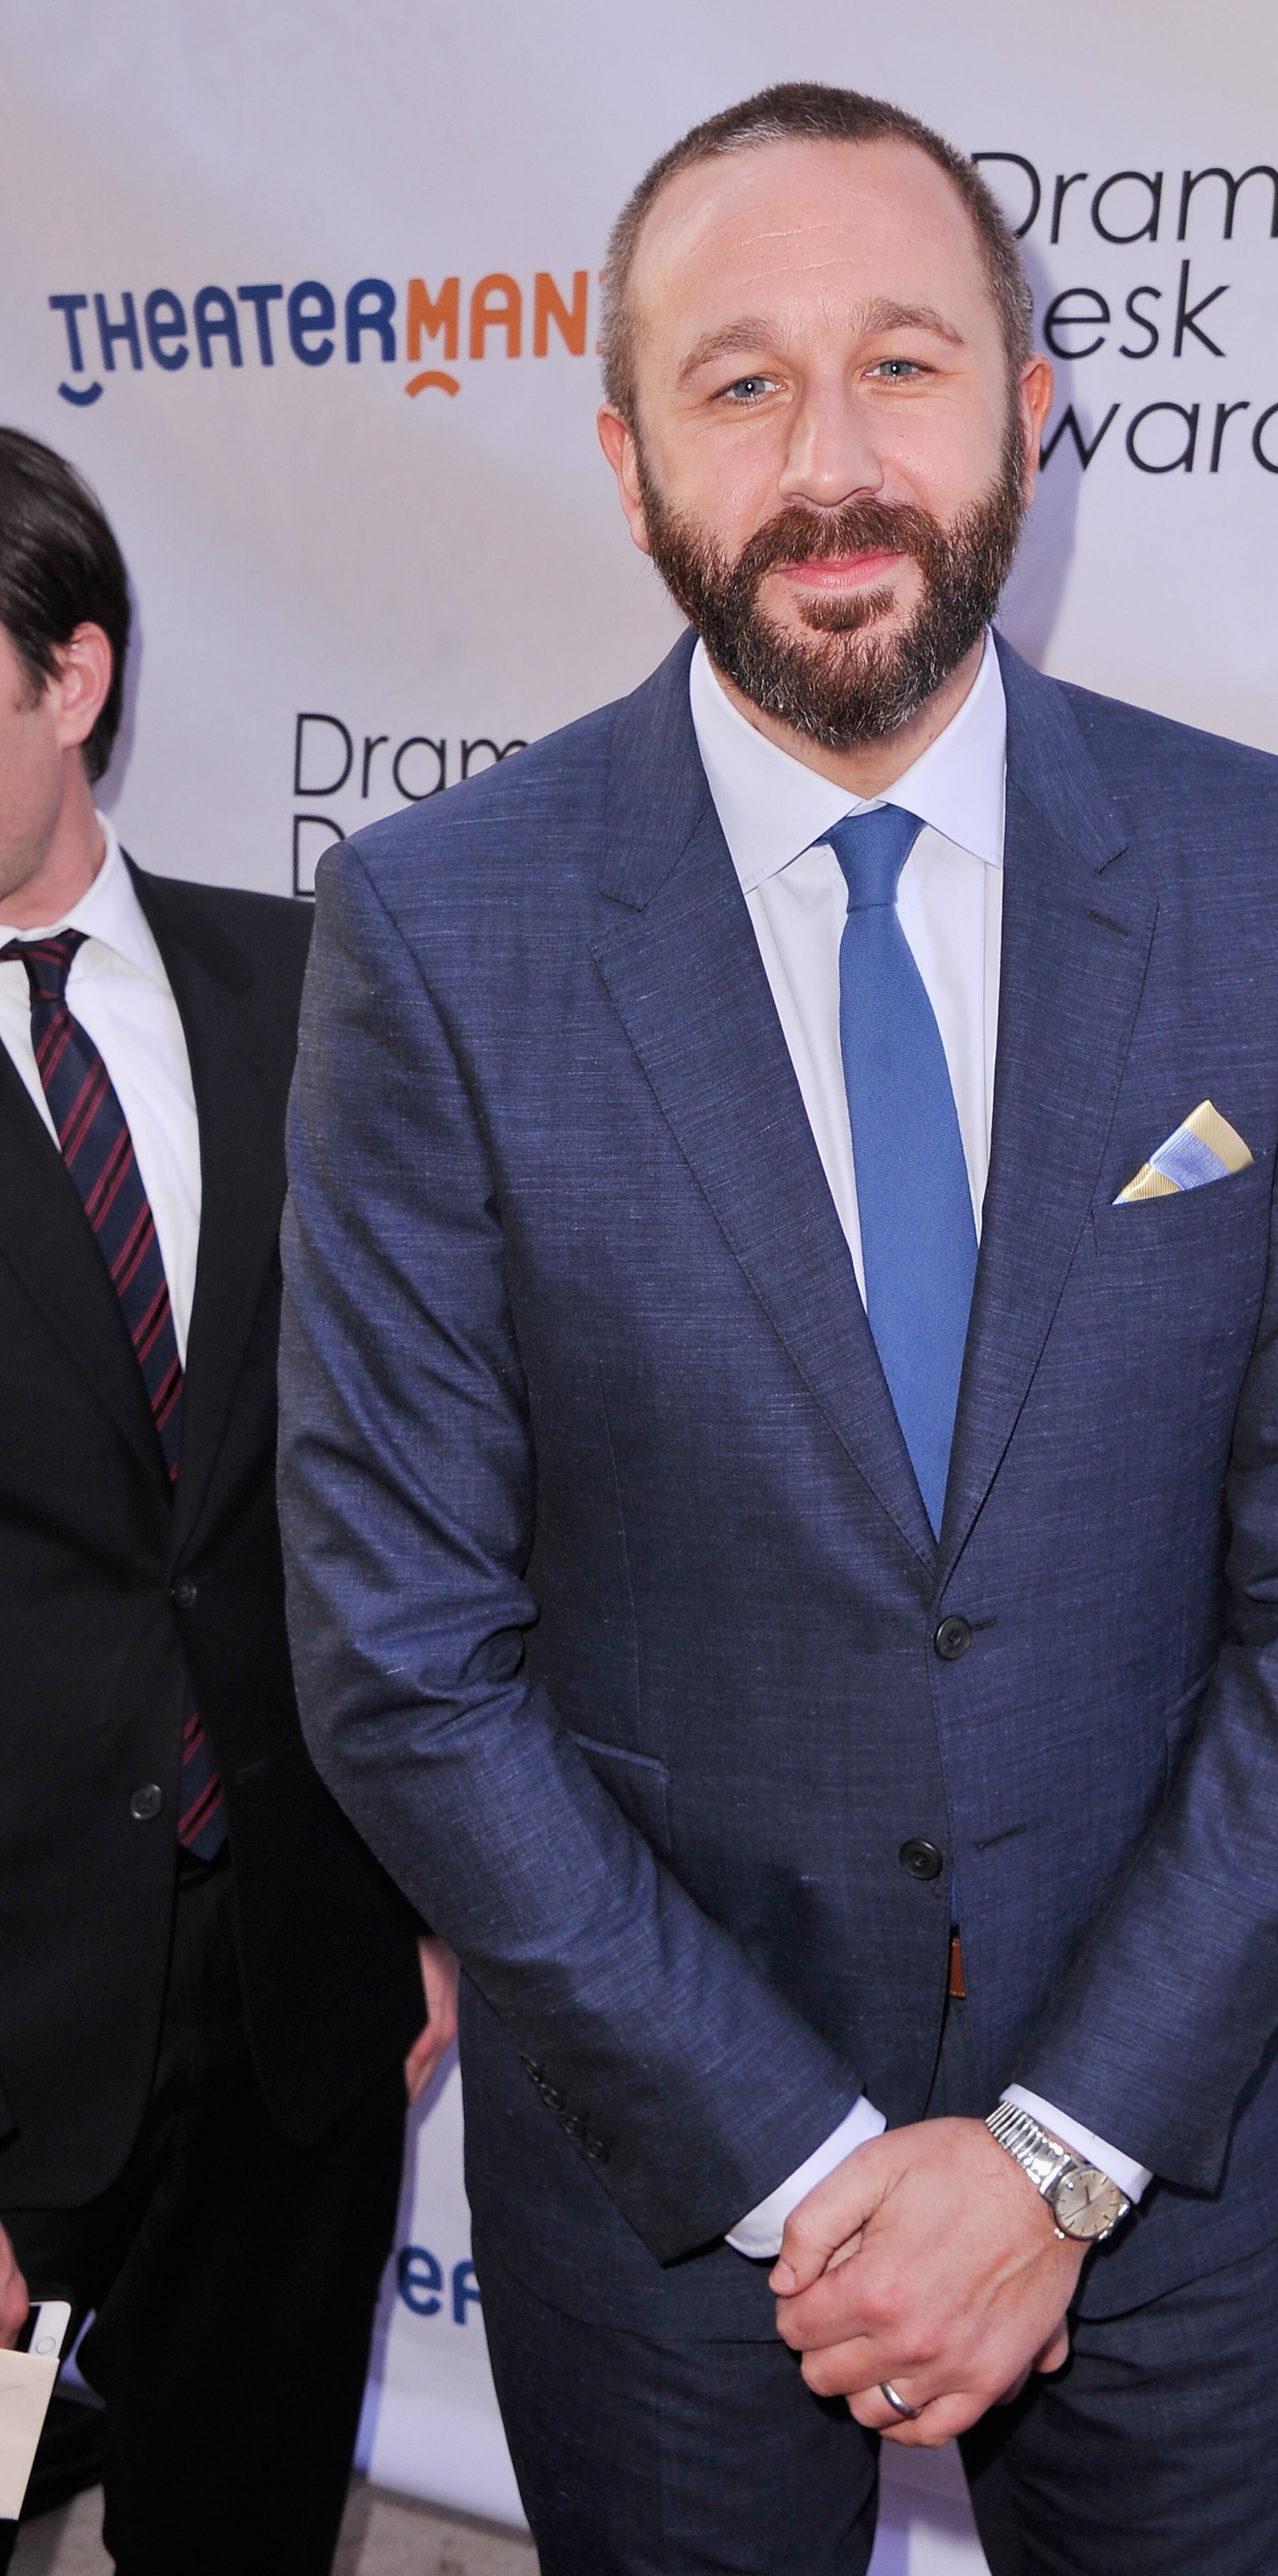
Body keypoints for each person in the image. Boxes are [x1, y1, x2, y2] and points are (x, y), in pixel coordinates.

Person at [278, 83, 1278, 2575]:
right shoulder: (444, 936)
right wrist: (819, 2170)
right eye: (737, 385)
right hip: (670, 2184)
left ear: (1032, 408)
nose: (833, 464)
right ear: (625, 466)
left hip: (1168, 2159)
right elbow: (401, 1650)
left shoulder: (1263, 877)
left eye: (906, 367)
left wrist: (1051, 2163)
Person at [0, 429, 458, 2576]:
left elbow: (433, 1470)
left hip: (302, 1966)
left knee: (250, 2528)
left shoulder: (312, 990)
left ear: (71, 673)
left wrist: (441, 1894)